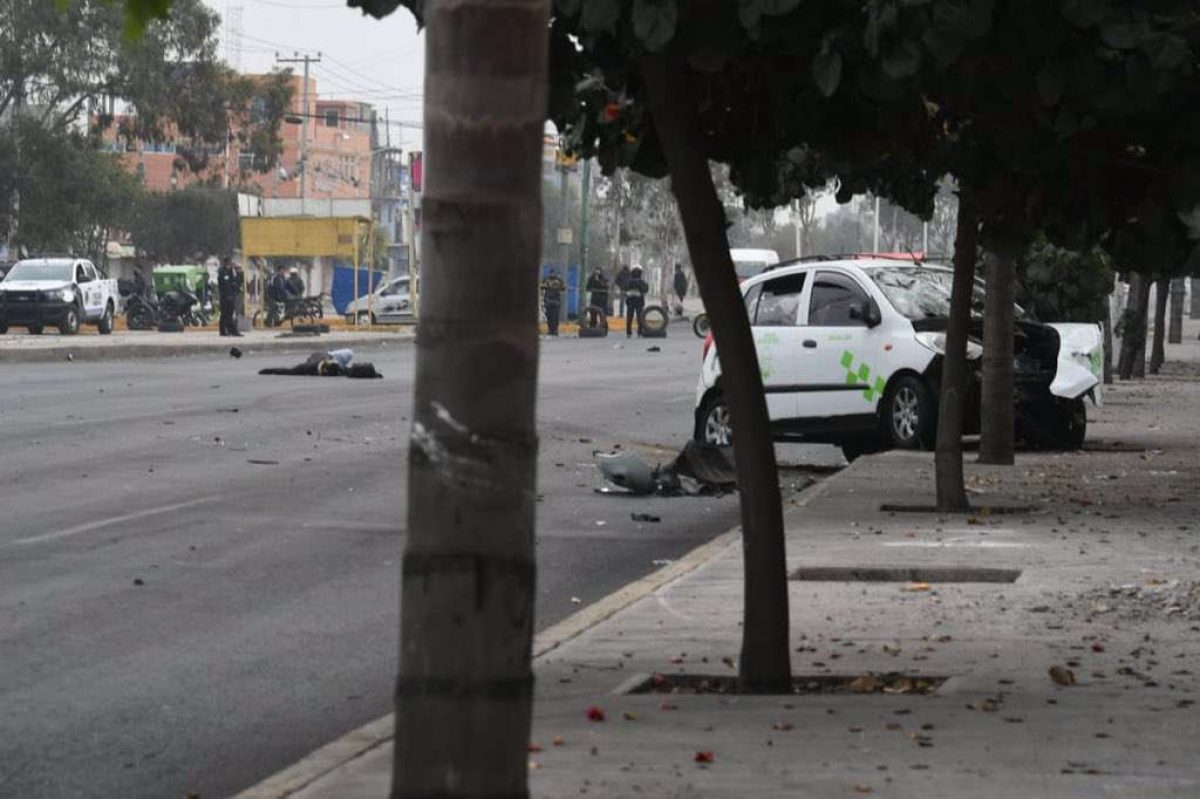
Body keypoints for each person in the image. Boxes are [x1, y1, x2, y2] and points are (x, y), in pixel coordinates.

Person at [217, 257, 243, 337]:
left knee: (227, 314)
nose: (229, 264)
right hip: (225, 297)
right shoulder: (222, 272)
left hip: (231, 296)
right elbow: (225, 285)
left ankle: (225, 331)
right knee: (226, 314)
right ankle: (229, 331)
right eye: (228, 263)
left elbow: (233, 283)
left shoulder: (230, 271)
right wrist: (229, 295)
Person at [624, 266, 649, 338]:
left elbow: (625, 288)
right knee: (639, 317)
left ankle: (629, 332)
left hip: (632, 301)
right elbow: (645, 289)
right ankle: (639, 332)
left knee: (630, 317)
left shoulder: (629, 282)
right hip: (638, 301)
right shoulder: (641, 282)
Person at [541, 268, 566, 336]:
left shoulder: (559, 280)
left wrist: (557, 286)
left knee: (555, 316)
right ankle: (550, 329)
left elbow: (563, 287)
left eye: (553, 272)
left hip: (556, 300)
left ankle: (555, 330)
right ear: (549, 273)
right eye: (551, 272)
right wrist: (548, 286)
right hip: (548, 300)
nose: (552, 274)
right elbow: (541, 286)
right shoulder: (546, 279)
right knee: (549, 316)